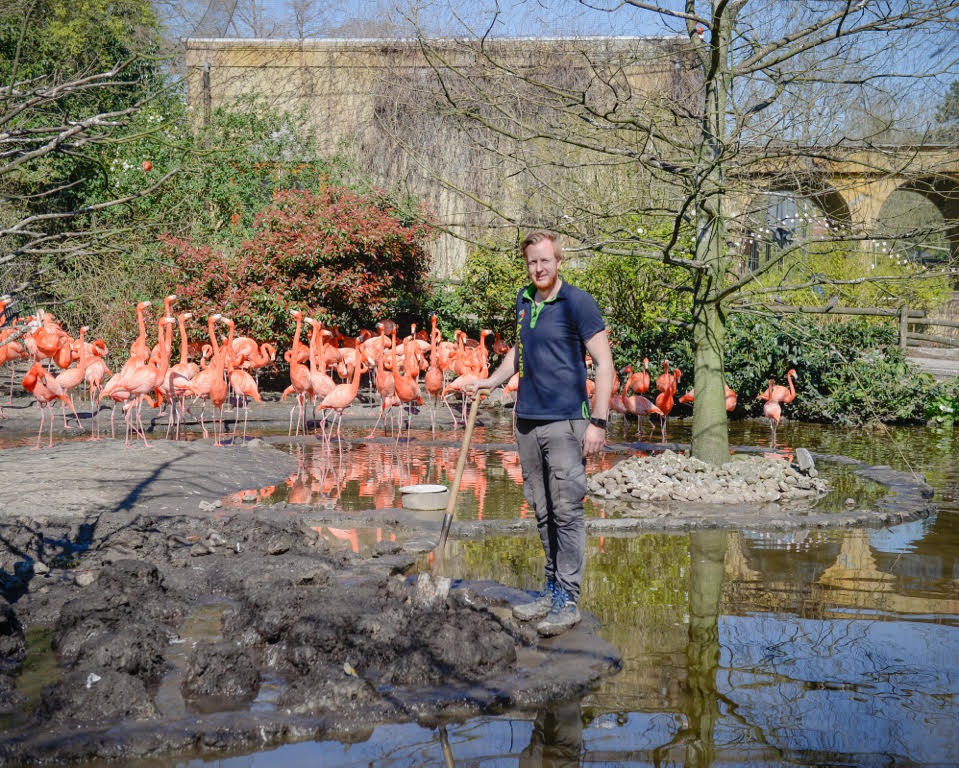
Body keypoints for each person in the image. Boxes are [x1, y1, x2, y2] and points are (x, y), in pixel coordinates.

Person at [471, 229, 614, 636]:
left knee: (568, 511)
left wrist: (598, 422)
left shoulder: (578, 303)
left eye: (545, 261)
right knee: (542, 510)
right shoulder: (524, 299)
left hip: (568, 422)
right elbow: (520, 351)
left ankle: (568, 598)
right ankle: (550, 588)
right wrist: (491, 382)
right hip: (527, 422)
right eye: (532, 262)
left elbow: (604, 364)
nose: (538, 268)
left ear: (558, 261)